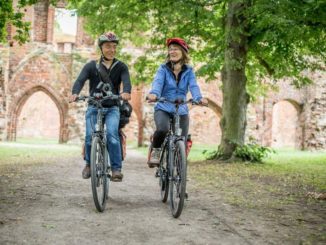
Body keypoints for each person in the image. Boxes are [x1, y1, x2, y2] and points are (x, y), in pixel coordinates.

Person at [69, 32, 131, 181]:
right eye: (108, 46)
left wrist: (126, 92)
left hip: (112, 108)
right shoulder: (91, 66)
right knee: (90, 136)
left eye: (114, 47)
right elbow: (80, 81)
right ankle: (89, 164)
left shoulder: (121, 66)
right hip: (94, 107)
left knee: (112, 136)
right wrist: (75, 93)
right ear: (101, 48)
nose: (111, 49)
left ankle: (116, 169)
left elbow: (126, 82)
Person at [147, 37, 208, 167]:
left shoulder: (189, 71)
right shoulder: (163, 69)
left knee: (183, 139)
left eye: (175, 49)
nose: (172, 51)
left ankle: (179, 170)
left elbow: (193, 86)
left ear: (183, 52)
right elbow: (158, 83)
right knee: (162, 129)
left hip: (181, 109)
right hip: (163, 107)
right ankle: (156, 151)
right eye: (170, 49)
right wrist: (154, 94)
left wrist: (198, 98)